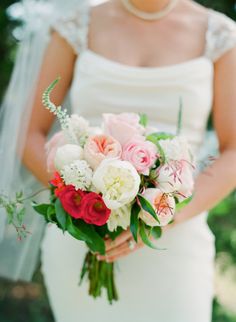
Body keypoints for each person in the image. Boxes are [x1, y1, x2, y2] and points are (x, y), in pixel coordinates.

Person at [5, 0, 236, 321]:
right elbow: (27, 131)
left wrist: (164, 216)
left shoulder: (220, 35)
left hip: (175, 243)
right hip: (83, 237)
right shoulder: (76, 25)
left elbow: (234, 150)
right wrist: (80, 196)